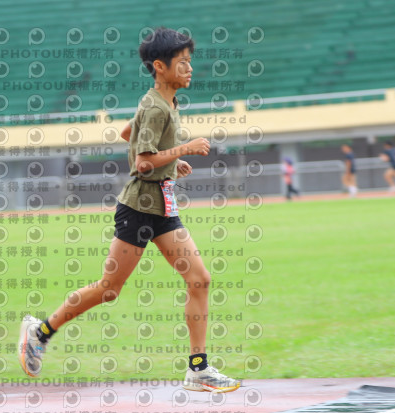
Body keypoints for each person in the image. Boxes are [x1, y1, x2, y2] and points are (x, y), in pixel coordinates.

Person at [18, 27, 241, 393]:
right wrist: (183, 150)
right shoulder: (155, 106)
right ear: (160, 66)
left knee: (199, 278)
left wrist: (170, 164)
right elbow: (142, 162)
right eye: (182, 62)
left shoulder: (165, 103)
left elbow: (129, 134)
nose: (190, 68)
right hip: (137, 209)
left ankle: (198, 369)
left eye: (190, 61)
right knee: (109, 289)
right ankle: (39, 332)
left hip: (162, 208)